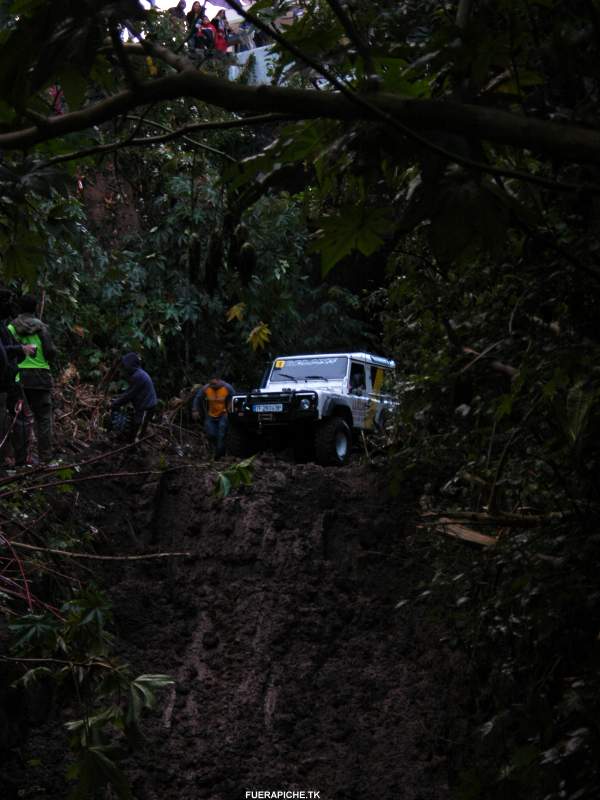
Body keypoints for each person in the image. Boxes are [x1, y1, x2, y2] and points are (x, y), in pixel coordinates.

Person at [7, 294, 57, 466]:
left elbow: (7, 351)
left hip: (19, 376)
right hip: (41, 376)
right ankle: (46, 459)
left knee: (20, 419)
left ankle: (21, 461)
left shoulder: (11, 328)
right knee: (43, 417)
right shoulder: (42, 327)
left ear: (19, 308)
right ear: (35, 308)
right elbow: (50, 352)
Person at [0, 290, 36, 469]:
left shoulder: (7, 326)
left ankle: (18, 459)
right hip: (6, 380)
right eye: (6, 301)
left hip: (11, 378)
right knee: (17, 417)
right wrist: (20, 350)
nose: (9, 305)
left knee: (17, 417)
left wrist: (19, 351)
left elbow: (7, 349)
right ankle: (16, 460)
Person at [111, 353, 158, 442]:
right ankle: (131, 444)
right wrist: (118, 400)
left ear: (130, 365)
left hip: (147, 406)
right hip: (143, 405)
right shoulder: (138, 374)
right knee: (135, 425)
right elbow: (129, 392)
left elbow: (130, 394)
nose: (124, 368)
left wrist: (115, 403)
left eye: (125, 365)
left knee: (139, 428)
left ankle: (134, 448)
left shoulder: (138, 376)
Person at [192, 376, 234, 459]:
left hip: (223, 414)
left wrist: (230, 407)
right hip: (210, 415)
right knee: (211, 434)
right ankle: (215, 450)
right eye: (211, 384)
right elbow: (197, 398)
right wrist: (195, 410)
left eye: (214, 384)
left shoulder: (227, 387)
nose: (212, 386)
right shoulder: (206, 388)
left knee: (221, 433)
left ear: (219, 381)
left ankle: (220, 455)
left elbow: (234, 397)